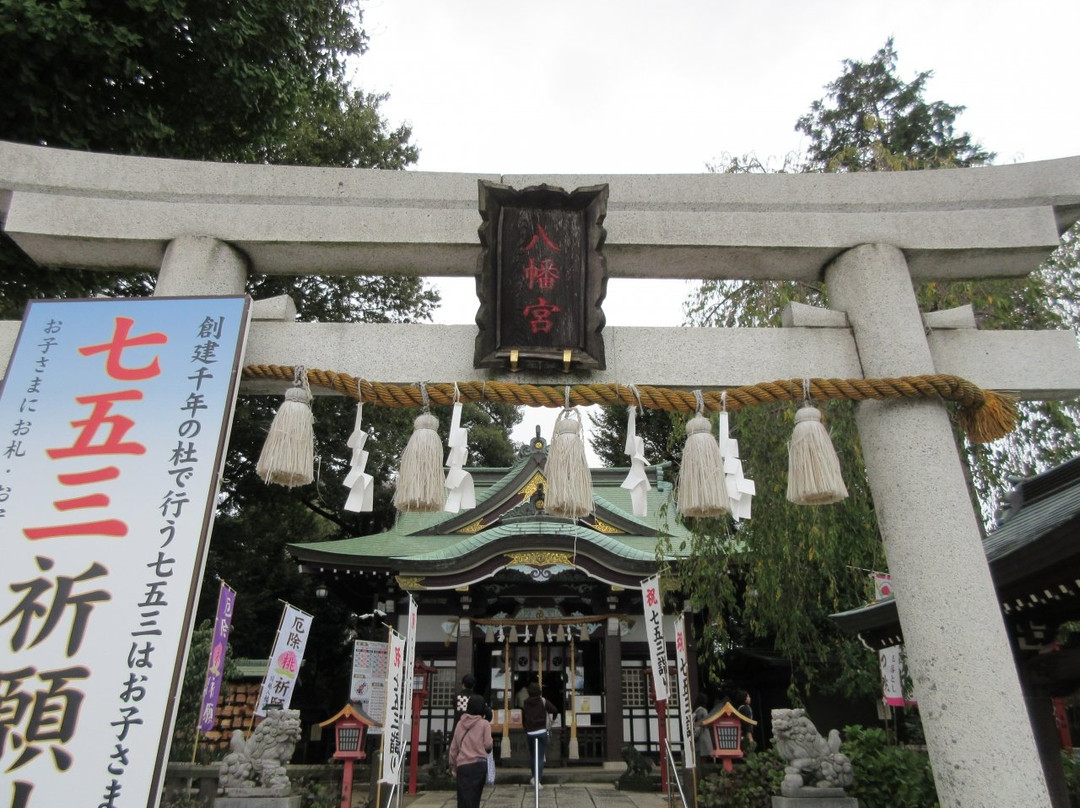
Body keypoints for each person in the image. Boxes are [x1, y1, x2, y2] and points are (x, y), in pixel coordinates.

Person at [449, 694, 493, 808]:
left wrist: (453, 766)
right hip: (479, 765)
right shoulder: (485, 724)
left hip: (463, 766)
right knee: (475, 797)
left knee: (463, 798)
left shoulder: (460, 724)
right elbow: (488, 745)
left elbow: (454, 748)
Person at [521, 681, 558, 788]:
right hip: (541, 732)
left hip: (530, 732)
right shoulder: (543, 701)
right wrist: (553, 720)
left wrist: (525, 728)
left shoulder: (525, 703)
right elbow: (554, 710)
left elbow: (524, 718)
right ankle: (538, 780)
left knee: (533, 756)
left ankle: (534, 777)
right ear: (539, 691)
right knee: (540, 757)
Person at [692, 694, 713, 763]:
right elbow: (707, 721)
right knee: (704, 753)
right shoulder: (703, 711)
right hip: (703, 733)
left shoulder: (695, 710)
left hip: (697, 733)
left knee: (698, 754)